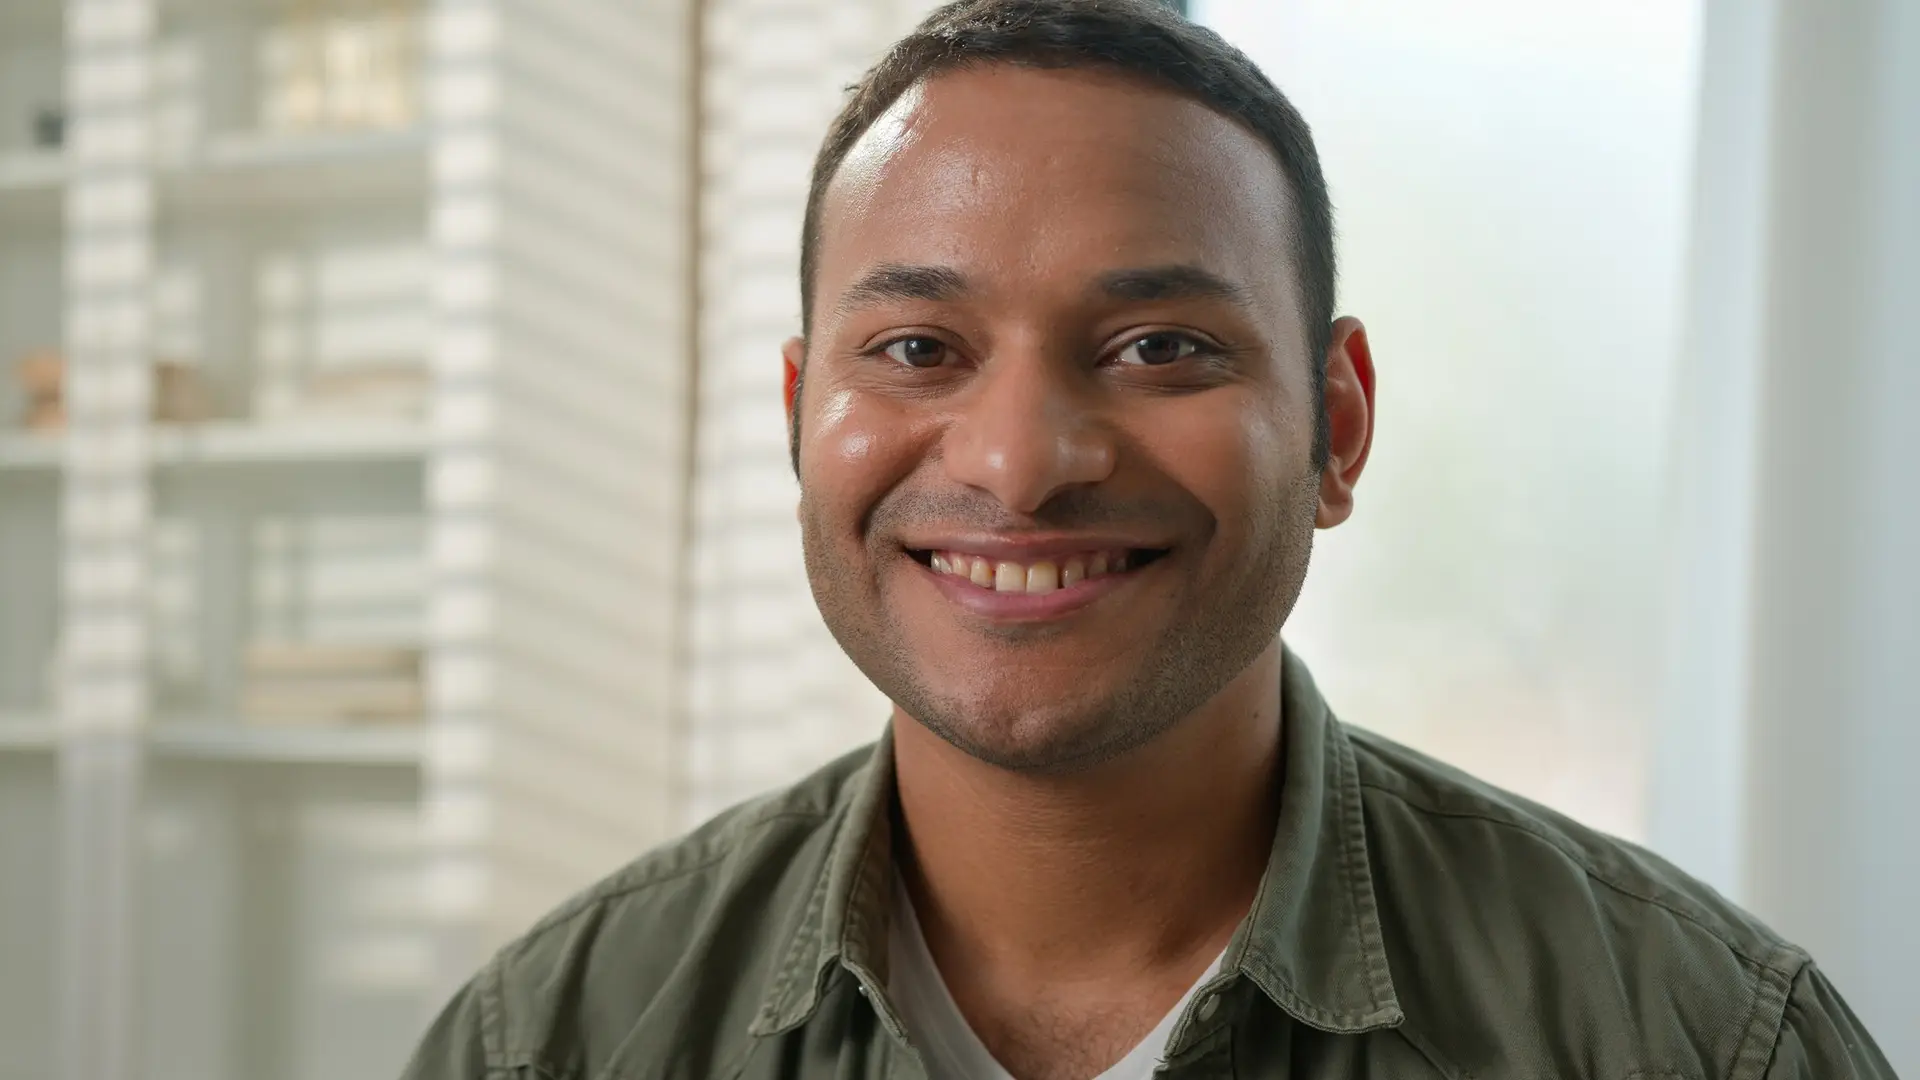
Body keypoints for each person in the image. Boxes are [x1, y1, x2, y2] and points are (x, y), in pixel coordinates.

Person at [402, 1, 1896, 1077]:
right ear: (802, 418)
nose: (1020, 463)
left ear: (1338, 426)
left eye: (1161, 345)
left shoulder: (1693, 1040)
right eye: (919, 349)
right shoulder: (554, 1040)